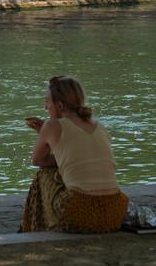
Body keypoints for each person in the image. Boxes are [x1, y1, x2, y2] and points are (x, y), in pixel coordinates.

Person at [19, 76, 128, 233]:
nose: (45, 107)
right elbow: (79, 157)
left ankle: (34, 229)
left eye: (47, 102)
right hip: (115, 213)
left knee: (43, 176)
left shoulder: (52, 125)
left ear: (59, 106)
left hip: (77, 214)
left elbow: (38, 160)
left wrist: (44, 133)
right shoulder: (99, 126)